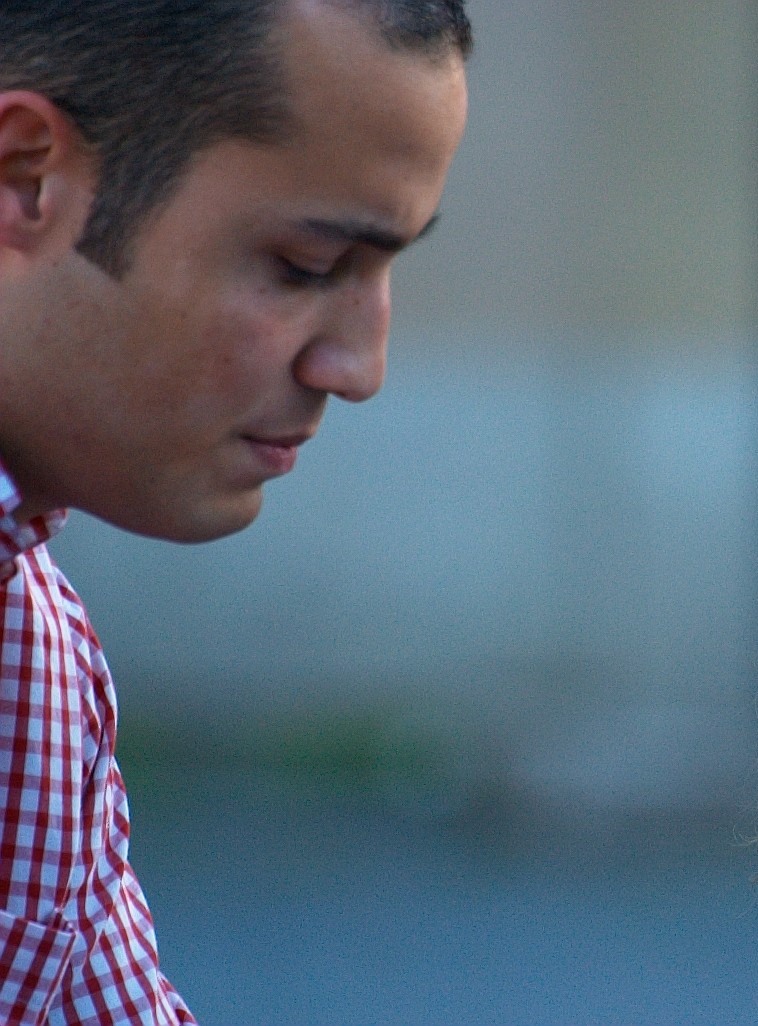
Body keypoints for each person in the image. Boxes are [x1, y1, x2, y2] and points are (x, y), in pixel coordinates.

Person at [0, 0, 469, 1022]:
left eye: (388, 268)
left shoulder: (32, 643)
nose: (358, 368)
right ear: (25, 175)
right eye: (304, 267)